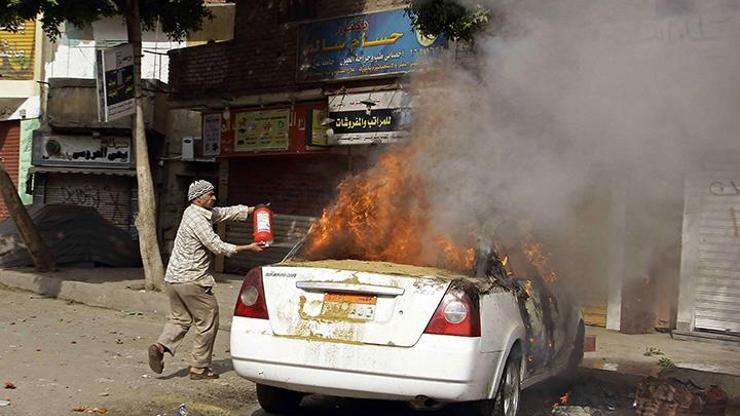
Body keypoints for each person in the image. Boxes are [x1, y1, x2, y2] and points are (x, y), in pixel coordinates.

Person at [148, 180, 265, 380]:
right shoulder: (197, 219)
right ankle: (199, 368)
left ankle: (160, 346)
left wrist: (254, 209)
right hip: (191, 280)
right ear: (197, 198)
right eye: (210, 195)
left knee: (180, 319)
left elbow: (225, 213)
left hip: (174, 281)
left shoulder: (196, 213)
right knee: (208, 321)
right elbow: (216, 245)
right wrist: (248, 248)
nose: (214, 197)